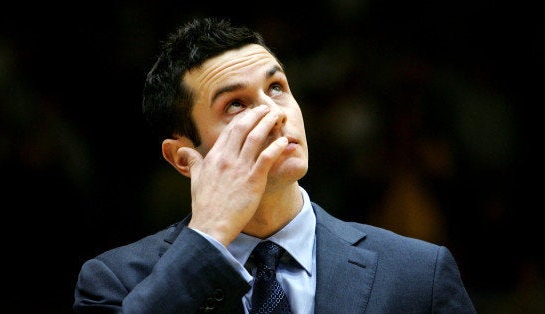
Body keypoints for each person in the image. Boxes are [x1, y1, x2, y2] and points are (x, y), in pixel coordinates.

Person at [73, 17, 476, 313]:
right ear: (183, 157)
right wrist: (209, 238)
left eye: (277, 87)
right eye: (236, 104)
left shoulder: (418, 274)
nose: (274, 113)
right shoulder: (114, 282)